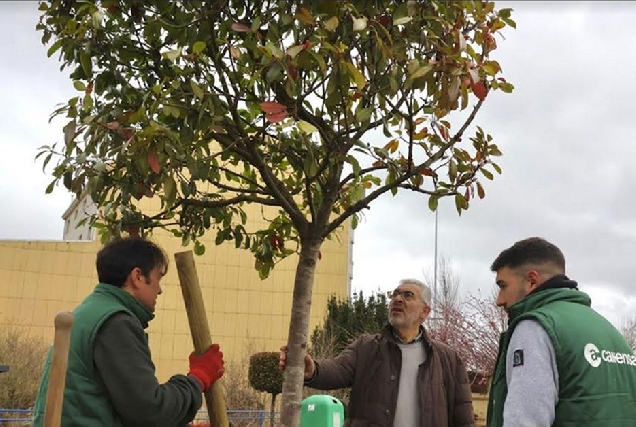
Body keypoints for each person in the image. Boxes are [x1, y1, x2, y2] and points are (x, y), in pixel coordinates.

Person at [32, 237, 225, 427]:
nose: (160, 290)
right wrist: (199, 377)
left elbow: (122, 408)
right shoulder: (115, 323)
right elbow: (151, 412)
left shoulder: (89, 313)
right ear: (138, 277)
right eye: (158, 278)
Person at [280, 278, 475, 426]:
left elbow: (462, 415)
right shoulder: (367, 347)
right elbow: (337, 369)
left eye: (408, 295)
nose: (398, 299)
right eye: (395, 294)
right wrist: (313, 370)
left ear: (425, 312)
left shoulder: (447, 359)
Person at [487, 237, 636, 426]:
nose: (499, 300)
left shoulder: (535, 328)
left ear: (532, 280)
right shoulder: (609, 331)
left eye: (503, 286)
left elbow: (525, 420)